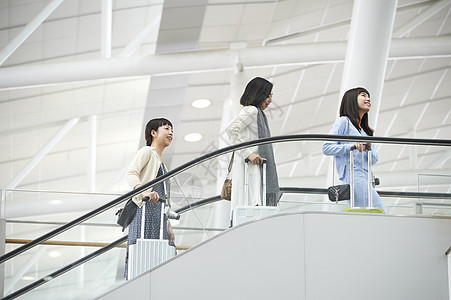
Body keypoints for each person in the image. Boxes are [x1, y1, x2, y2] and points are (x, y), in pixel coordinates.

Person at [124, 118, 175, 279]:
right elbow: (131, 174)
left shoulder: (163, 165)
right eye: (166, 128)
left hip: (158, 217)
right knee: (142, 255)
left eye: (172, 129)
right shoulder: (147, 152)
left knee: (156, 256)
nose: (170, 132)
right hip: (143, 212)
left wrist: (168, 223)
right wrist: (143, 191)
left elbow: (164, 196)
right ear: (153, 133)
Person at [322, 87, 385, 211]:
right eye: (363, 95)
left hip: (366, 178)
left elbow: (373, 159)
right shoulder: (343, 122)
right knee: (379, 211)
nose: (368, 98)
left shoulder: (366, 132)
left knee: (368, 214)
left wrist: (369, 147)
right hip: (354, 177)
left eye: (368, 96)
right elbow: (326, 147)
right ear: (351, 100)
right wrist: (352, 146)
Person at [226, 77, 282, 213]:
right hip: (249, 166)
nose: (270, 100)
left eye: (271, 96)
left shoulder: (258, 113)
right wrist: (248, 154)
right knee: (252, 204)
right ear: (259, 94)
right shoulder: (252, 111)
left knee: (253, 204)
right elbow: (231, 130)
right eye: (268, 95)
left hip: (254, 166)